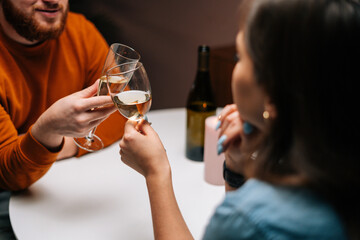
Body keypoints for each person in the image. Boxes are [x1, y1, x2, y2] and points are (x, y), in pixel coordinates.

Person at [118, 0, 360, 239]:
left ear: (272, 91)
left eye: (240, 57)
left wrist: (155, 172)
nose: (237, 66)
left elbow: (247, 226)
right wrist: (237, 170)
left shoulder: (253, 218)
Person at [0, 0, 126, 237]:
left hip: (68, 188)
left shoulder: (80, 31)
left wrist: (60, 144)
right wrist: (47, 131)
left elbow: (121, 109)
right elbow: (7, 173)